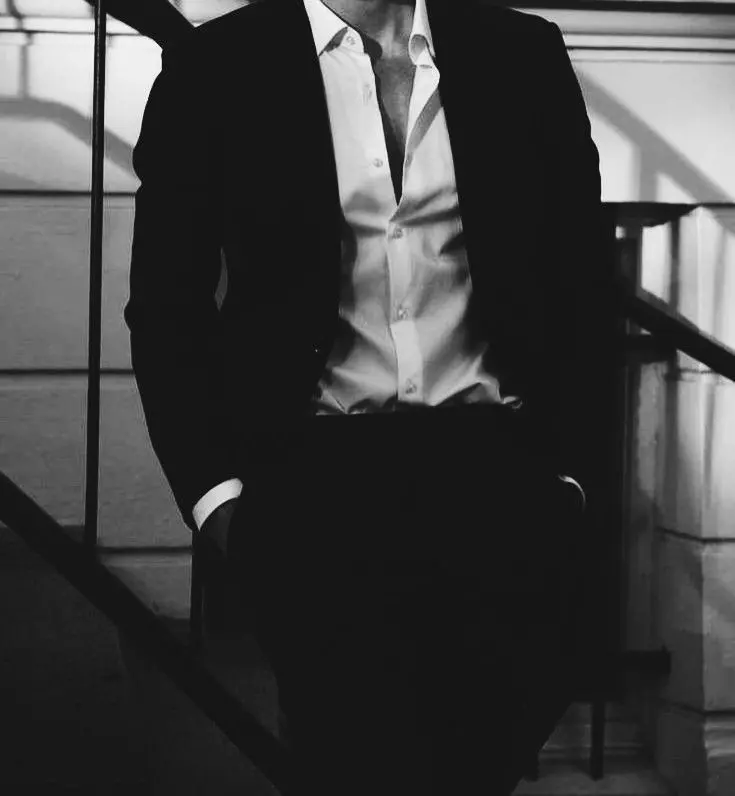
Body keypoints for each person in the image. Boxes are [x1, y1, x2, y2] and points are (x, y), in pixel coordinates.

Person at [124, 0, 610, 793]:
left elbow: (582, 283)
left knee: (478, 765)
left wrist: (570, 480)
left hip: (495, 473)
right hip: (317, 485)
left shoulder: (519, 53)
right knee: (355, 763)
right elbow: (165, 307)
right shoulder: (216, 68)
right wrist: (216, 502)